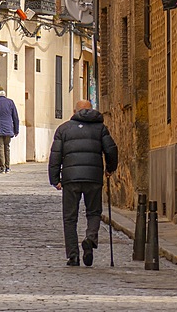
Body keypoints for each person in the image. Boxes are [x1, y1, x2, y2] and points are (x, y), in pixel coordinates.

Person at [48, 99, 118, 268]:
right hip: (93, 177)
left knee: (70, 218)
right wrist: (110, 168)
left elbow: (55, 155)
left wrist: (55, 179)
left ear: (74, 111)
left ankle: (73, 256)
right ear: (91, 110)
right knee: (94, 212)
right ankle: (90, 238)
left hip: (71, 179)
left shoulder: (63, 129)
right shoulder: (100, 128)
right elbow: (111, 149)